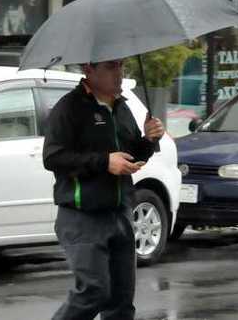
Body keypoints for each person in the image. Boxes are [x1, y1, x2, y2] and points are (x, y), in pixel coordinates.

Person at [43, 59, 165, 320]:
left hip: (120, 212)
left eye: (121, 66)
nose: (119, 73)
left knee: (121, 303)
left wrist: (148, 140)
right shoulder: (69, 108)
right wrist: (104, 161)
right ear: (89, 70)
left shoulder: (122, 108)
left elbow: (131, 155)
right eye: (111, 67)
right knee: (93, 292)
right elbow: (53, 157)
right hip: (82, 216)